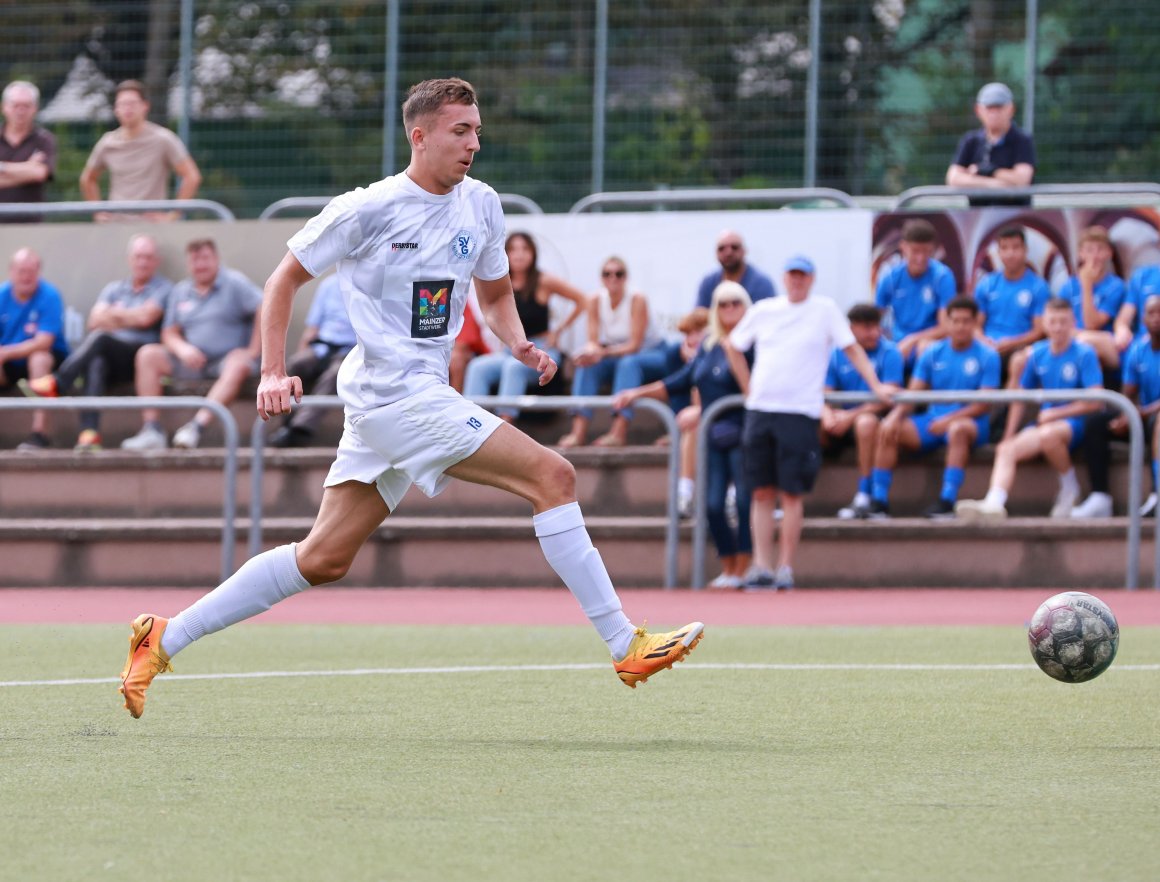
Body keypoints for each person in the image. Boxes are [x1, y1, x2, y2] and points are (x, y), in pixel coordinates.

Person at [117, 77, 702, 719]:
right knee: (553, 475)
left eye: (477, 129)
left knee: (325, 557)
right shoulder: (366, 209)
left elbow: (497, 291)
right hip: (393, 395)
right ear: (418, 137)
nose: (475, 143)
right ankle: (625, 642)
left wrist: (520, 345)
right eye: (461, 130)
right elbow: (281, 281)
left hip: (406, 397)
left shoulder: (481, 205)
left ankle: (164, 636)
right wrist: (271, 371)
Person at [724, 255, 891, 591]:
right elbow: (732, 345)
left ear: (811, 279)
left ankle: (785, 567)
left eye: (803, 276)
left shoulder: (824, 309)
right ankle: (761, 565)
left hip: (800, 413)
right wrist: (748, 389)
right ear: (784, 278)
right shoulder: (764, 310)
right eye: (792, 275)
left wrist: (875, 385)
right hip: (761, 411)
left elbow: (851, 348)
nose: (797, 281)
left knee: (791, 493)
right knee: (760, 491)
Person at [614, 281, 753, 588]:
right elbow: (678, 381)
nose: (729, 309)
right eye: (723, 303)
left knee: (744, 501)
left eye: (736, 303)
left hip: (745, 433)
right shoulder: (707, 345)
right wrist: (635, 394)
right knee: (713, 504)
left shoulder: (753, 344)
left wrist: (736, 356)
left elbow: (753, 392)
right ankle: (729, 567)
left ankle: (746, 568)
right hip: (714, 434)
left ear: (746, 307)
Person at [17, 234, 172, 451]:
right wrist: (131, 316)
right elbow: (94, 321)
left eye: (148, 257)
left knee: (101, 339)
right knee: (96, 360)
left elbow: (146, 318)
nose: (143, 262)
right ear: (129, 259)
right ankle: (89, 434)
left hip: (141, 358)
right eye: (138, 256)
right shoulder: (113, 288)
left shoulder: (164, 288)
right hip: (112, 358)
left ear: (156, 261)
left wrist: (113, 315)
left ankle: (60, 382)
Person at [956, 297, 1103, 521]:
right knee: (1006, 449)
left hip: (1076, 421)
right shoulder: (1037, 354)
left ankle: (1070, 489)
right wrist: (1008, 434)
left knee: (1048, 435)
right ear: (1044, 324)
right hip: (1046, 422)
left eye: (1063, 322)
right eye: (1052, 322)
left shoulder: (1085, 353)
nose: (1058, 328)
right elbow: (1020, 398)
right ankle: (994, 503)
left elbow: (1096, 400)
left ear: (1073, 323)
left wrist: (1057, 413)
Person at [120, 238, 262, 450]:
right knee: (148, 354)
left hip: (227, 360)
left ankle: (195, 428)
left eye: (205, 258)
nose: (200, 265)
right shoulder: (181, 290)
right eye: (195, 260)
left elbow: (265, 307)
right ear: (188, 264)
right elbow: (169, 332)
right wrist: (182, 348)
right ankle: (152, 430)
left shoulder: (235, 283)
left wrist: (253, 350)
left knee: (239, 363)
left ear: (216, 259)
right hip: (192, 362)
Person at [867, 297, 1000, 520]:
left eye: (966, 321)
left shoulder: (988, 355)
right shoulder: (932, 353)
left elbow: (983, 404)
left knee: (957, 430)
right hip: (933, 420)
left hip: (971, 423)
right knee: (888, 428)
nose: (960, 327)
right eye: (955, 321)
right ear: (947, 323)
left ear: (975, 323)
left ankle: (947, 501)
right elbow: (913, 392)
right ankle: (879, 501)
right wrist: (894, 416)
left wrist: (949, 421)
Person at [463, 231, 586, 422]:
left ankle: (504, 427)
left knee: (514, 367)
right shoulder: (500, 281)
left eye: (524, 249)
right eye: (513, 249)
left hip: (541, 348)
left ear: (533, 253)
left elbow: (581, 300)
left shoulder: (544, 280)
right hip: (510, 350)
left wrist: (558, 331)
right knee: (478, 367)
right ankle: (470, 424)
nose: (519, 254)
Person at [557, 256, 669, 448]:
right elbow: (593, 342)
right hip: (616, 353)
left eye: (619, 274)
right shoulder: (593, 299)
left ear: (626, 278)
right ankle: (578, 432)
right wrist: (588, 353)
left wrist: (601, 353)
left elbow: (635, 345)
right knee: (587, 364)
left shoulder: (637, 299)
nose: (613, 278)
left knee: (629, 363)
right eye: (607, 274)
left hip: (651, 352)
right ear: (601, 278)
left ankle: (619, 431)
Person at [1074, 294, 1160, 519]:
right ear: (1143, 318)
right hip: (1144, 416)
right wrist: (1125, 415)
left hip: (1154, 418)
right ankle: (1100, 496)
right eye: (1152, 313)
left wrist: (1138, 413)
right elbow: (1129, 393)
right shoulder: (1137, 351)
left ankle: (1157, 493)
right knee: (1096, 422)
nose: (1156, 318)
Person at [821, 304, 905, 519]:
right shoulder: (837, 354)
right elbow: (825, 393)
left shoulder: (890, 352)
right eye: (867, 327)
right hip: (843, 421)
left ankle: (867, 495)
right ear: (851, 329)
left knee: (865, 423)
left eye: (876, 326)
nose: (874, 333)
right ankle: (790, 499)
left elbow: (889, 398)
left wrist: (850, 416)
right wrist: (828, 415)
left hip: (876, 419)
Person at [79, 79, 202, 222]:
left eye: (132, 103)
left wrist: (173, 215)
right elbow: (88, 179)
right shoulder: (107, 143)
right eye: (122, 104)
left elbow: (192, 176)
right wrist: (97, 212)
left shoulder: (163, 139)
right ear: (116, 109)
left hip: (151, 227)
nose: (127, 109)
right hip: (116, 226)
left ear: (145, 106)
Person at [268, 274, 356, 448]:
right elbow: (312, 328)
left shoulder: (367, 286)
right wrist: (304, 351)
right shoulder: (328, 285)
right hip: (321, 347)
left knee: (335, 374)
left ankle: (301, 429)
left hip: (350, 351)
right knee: (296, 364)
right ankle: (283, 422)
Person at [0, 248, 70, 450]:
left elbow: (43, 342)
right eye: (21, 271)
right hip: (9, 364)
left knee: (39, 359)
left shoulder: (49, 295)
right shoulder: (1, 295)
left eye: (31, 271)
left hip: (49, 362)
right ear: (11, 271)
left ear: (39, 272)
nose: (26, 276)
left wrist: (4, 353)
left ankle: (40, 434)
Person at [874, 218, 958, 368]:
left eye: (926, 252)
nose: (920, 258)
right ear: (903, 247)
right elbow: (875, 320)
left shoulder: (942, 277)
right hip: (896, 342)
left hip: (929, 341)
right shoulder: (890, 277)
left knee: (925, 348)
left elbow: (946, 327)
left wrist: (912, 340)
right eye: (915, 251)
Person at [945, 82, 1036, 207]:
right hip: (978, 219)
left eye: (999, 108)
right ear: (978, 110)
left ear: (1011, 109)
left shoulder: (1022, 140)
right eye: (989, 108)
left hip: (1013, 218)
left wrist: (987, 171)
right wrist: (996, 184)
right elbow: (954, 178)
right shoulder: (971, 141)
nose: (994, 114)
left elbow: (1021, 179)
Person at [1056, 225, 1126, 370]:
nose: (1094, 256)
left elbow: (1092, 324)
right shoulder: (1068, 286)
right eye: (1089, 250)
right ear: (1081, 254)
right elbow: (1055, 322)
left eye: (1100, 249)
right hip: (1070, 342)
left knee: (1086, 343)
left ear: (1109, 253)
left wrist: (1086, 284)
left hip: (1103, 346)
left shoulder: (1115, 286)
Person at [0, 81, 56, 223]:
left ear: (35, 109)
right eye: (16, 105)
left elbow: (39, 173)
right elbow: (33, 172)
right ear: (4, 107)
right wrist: (29, 167)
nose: (20, 111)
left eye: (26, 106)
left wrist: (3, 167)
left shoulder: (44, 139)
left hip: (30, 223)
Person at [694, 230, 776, 309]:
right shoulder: (708, 283)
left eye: (734, 247)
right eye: (721, 248)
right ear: (716, 253)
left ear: (744, 251)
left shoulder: (761, 283)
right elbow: (698, 315)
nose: (728, 252)